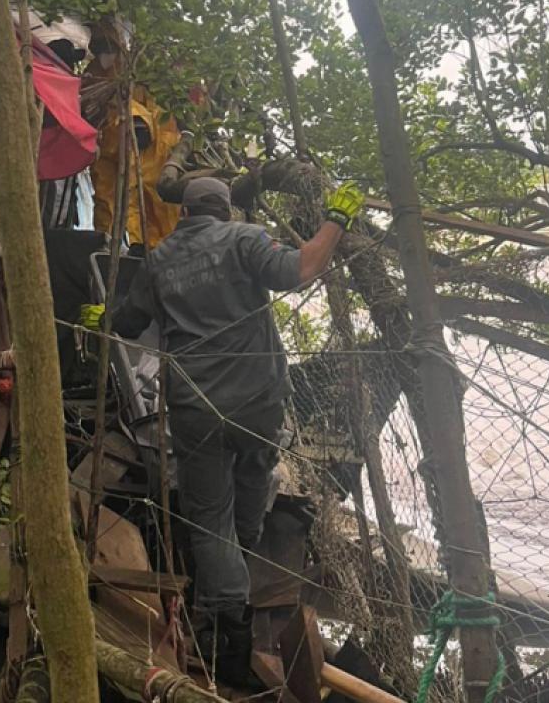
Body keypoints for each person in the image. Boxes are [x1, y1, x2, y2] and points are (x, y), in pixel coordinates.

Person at [86, 175, 364, 685]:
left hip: (197, 409)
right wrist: (337, 221)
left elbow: (125, 325)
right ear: (226, 211)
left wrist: (99, 316)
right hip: (260, 402)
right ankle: (233, 599)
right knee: (254, 481)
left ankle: (226, 618)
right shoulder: (247, 240)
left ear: (186, 215)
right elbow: (304, 266)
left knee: (209, 517)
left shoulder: (160, 259)